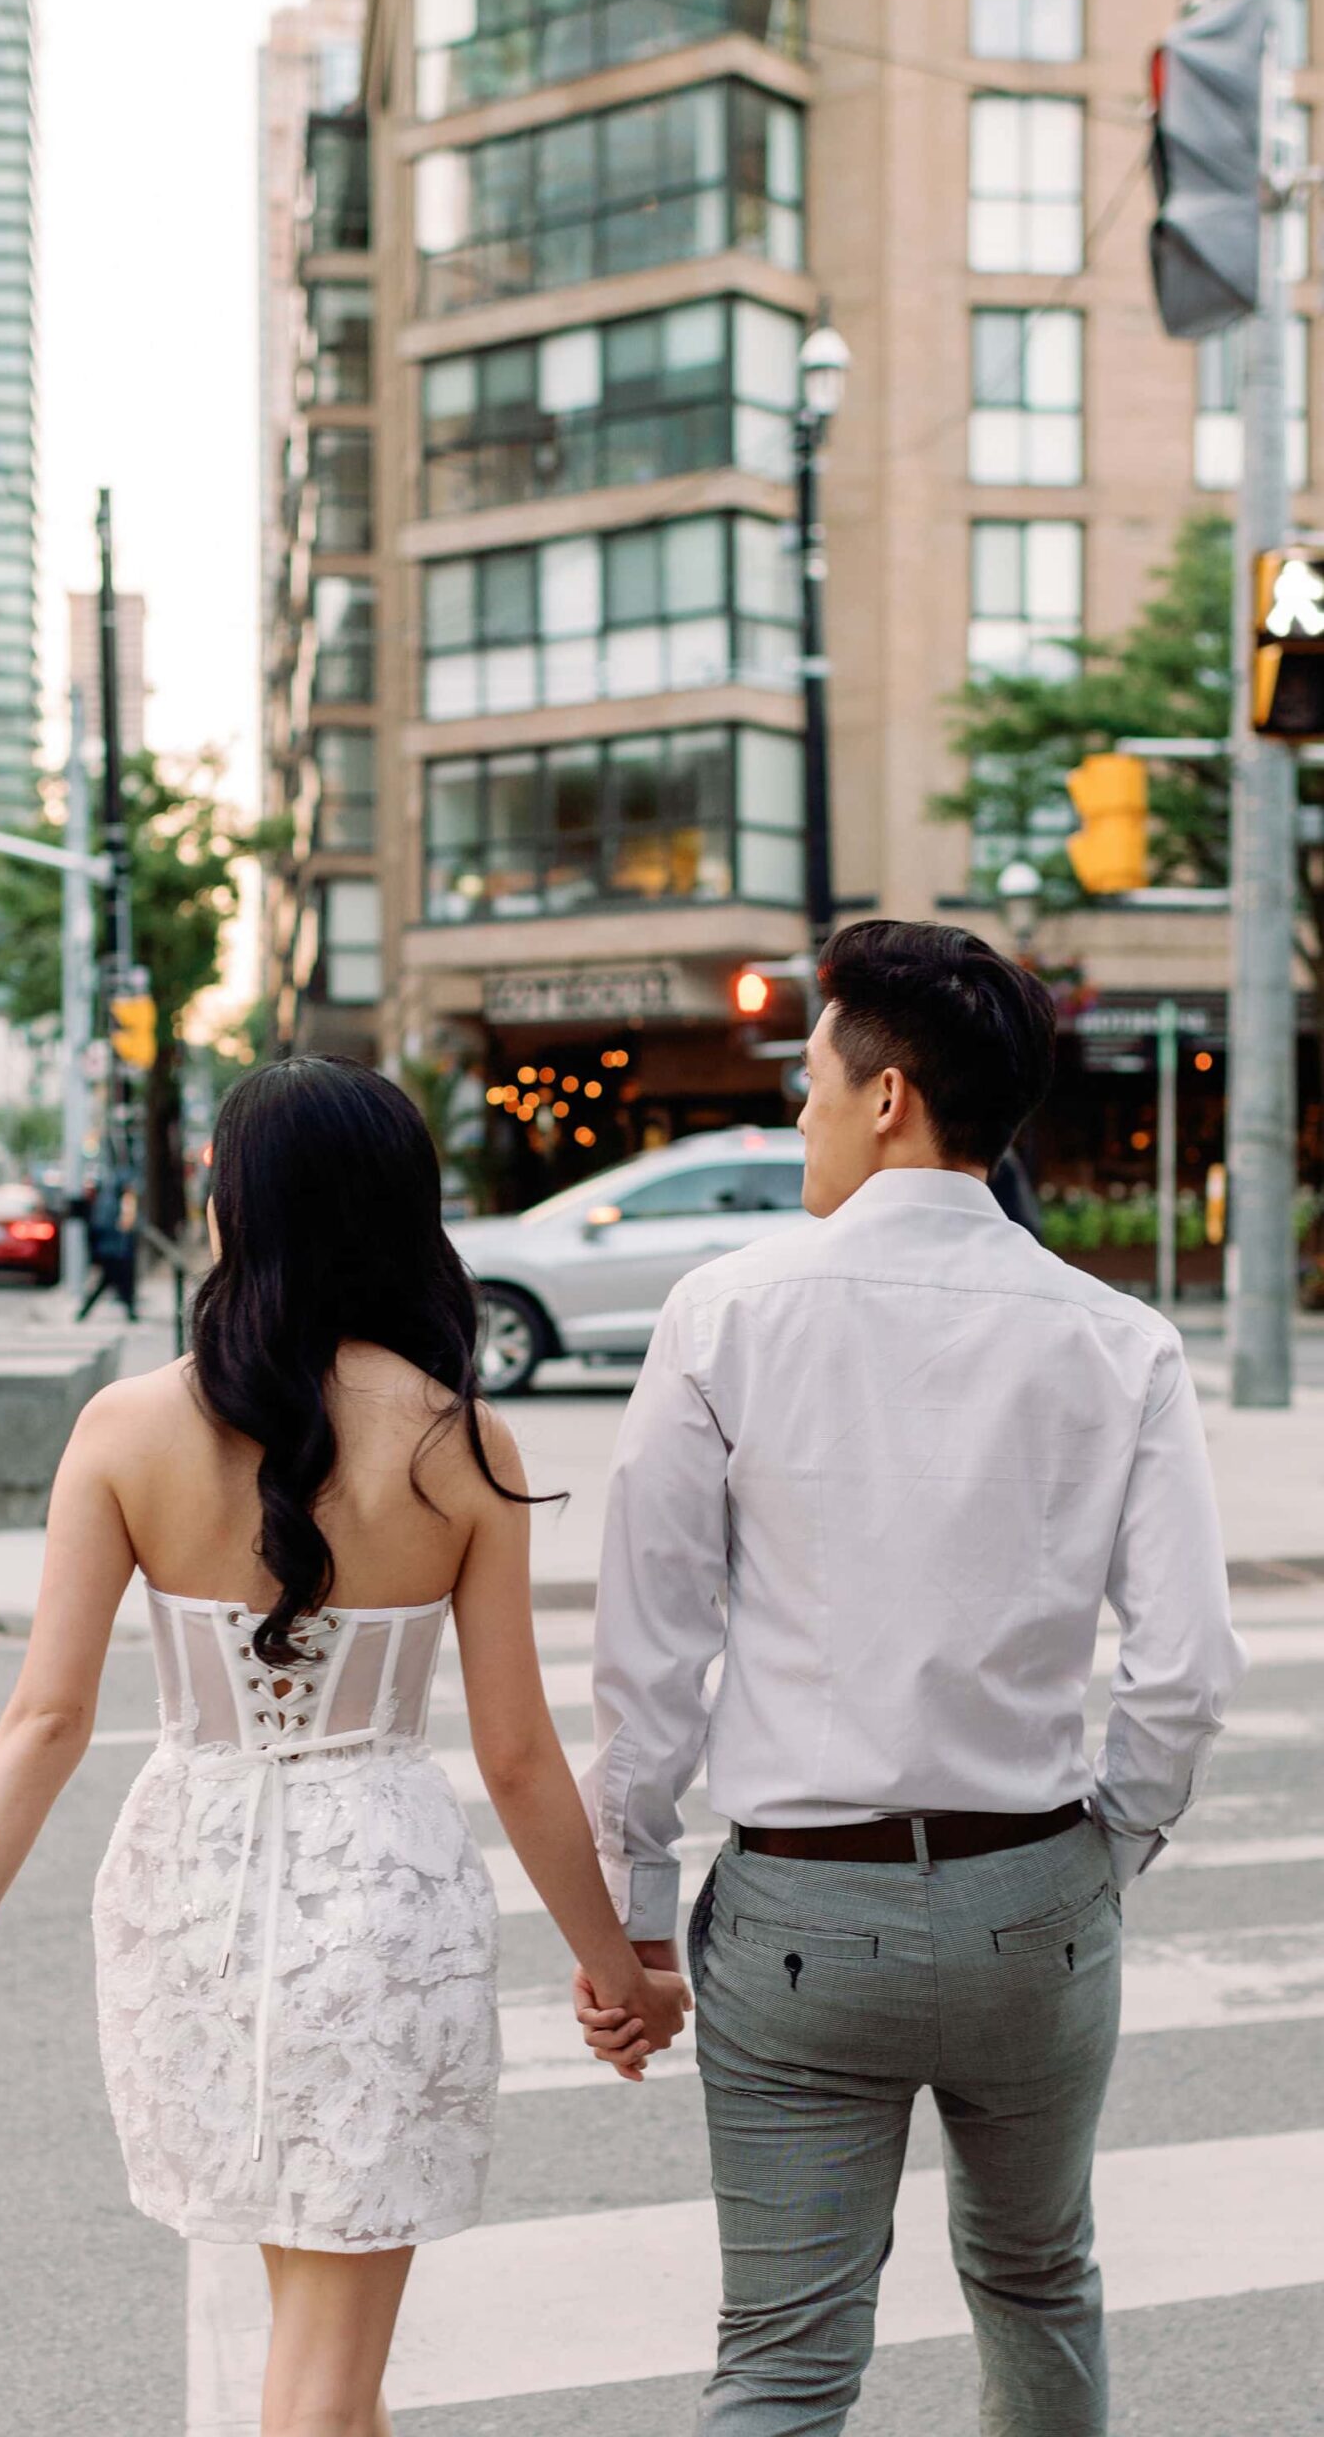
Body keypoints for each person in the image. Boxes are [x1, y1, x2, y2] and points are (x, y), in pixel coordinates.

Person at [0, 1056, 688, 2434]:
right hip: (374, 1905)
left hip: (186, 1894)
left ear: (228, 1209)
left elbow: (45, 1721)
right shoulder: (453, 1441)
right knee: (323, 2376)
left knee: (320, 2359)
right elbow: (517, 1757)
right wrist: (616, 1974)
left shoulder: (124, 1429)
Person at [575, 919, 1248, 2437]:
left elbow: (649, 1656)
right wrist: (1103, 1854)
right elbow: (1186, 1669)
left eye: (809, 1081)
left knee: (784, 2364)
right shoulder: (1118, 1342)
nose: (797, 1114)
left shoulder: (724, 1312)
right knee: (1038, 2284)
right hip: (1034, 1904)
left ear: (886, 1097)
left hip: (803, 1910)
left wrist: (631, 1920)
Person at [76, 1166, 139, 1322]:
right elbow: (103, 1227)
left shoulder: (116, 1200)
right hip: (112, 1251)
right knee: (115, 1282)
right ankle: (129, 1311)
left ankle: (85, 1312)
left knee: (111, 1283)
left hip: (113, 1250)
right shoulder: (109, 1202)